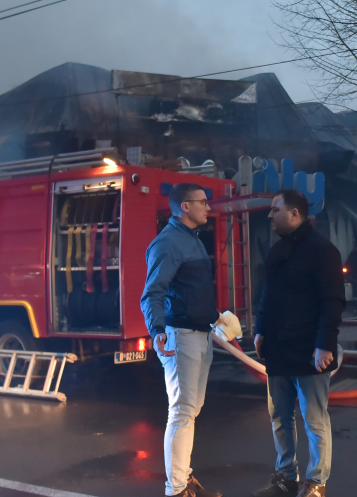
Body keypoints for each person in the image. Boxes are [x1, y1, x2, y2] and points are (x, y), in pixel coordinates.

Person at [252, 189, 344, 497]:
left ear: (295, 214)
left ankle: (316, 482)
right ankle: (285, 476)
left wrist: (325, 344)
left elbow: (332, 301)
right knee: (280, 417)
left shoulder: (322, 250)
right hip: (277, 351)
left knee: (314, 420)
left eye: (275, 209)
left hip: (308, 350)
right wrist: (260, 329)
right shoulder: (278, 251)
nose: (269, 214)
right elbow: (268, 295)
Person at [141, 182, 222, 497]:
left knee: (190, 409)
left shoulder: (191, 239)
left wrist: (217, 320)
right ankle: (175, 489)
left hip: (200, 333)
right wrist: (158, 330)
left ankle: (182, 480)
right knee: (182, 410)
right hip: (181, 335)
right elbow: (152, 293)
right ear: (185, 207)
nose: (208, 207)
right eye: (202, 202)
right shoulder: (169, 243)